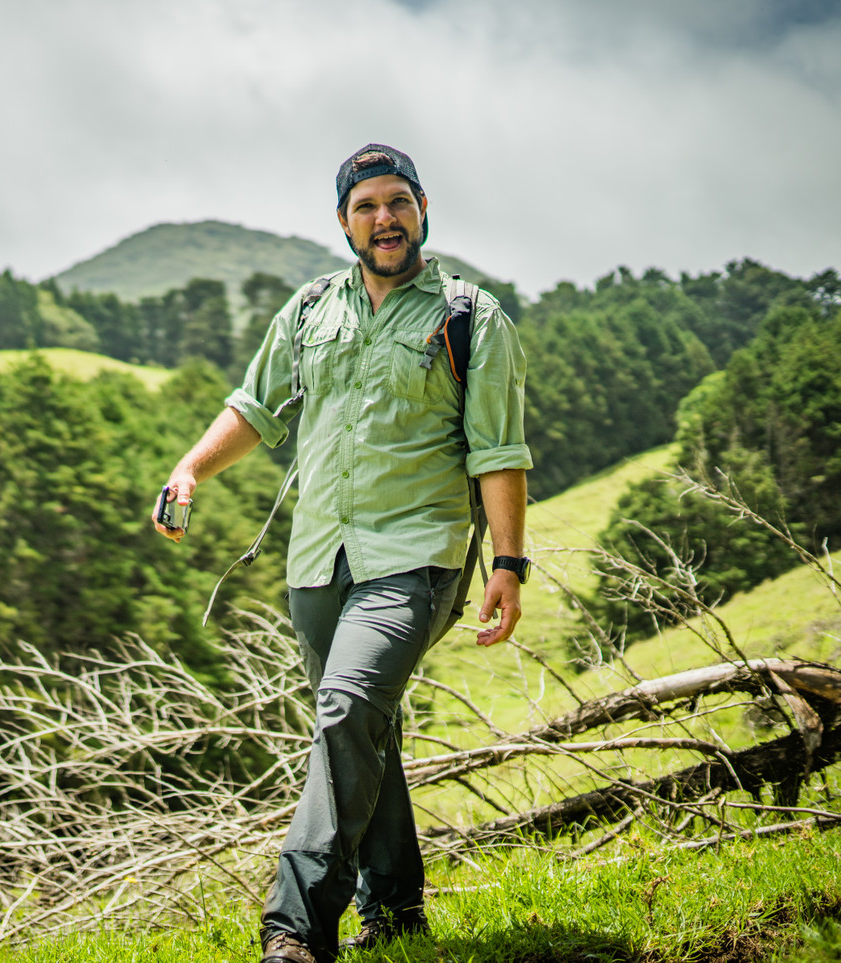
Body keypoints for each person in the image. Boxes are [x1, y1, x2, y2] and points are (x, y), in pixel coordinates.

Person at [153, 143, 532, 963]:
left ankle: (296, 927)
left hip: (415, 557)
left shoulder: (470, 315)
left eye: (398, 202)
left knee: (347, 709)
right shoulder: (309, 309)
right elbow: (254, 409)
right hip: (318, 564)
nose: (384, 218)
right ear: (343, 222)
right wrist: (190, 468)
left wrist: (507, 563)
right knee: (364, 728)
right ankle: (395, 912)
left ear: (423, 210)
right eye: (366, 207)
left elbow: (498, 449)